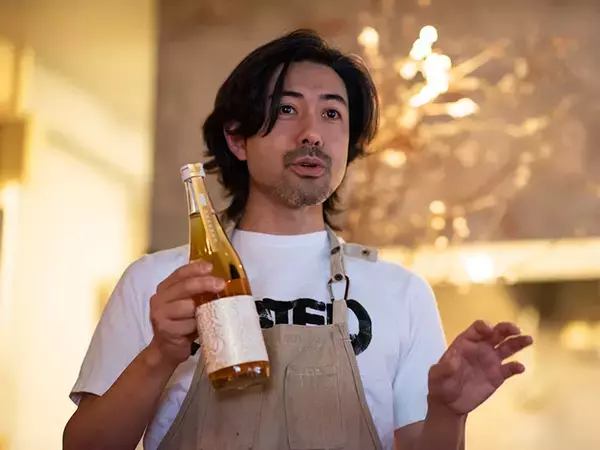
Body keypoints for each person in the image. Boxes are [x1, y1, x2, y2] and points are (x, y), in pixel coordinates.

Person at [63, 29, 533, 450]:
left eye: (332, 113)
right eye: (287, 109)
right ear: (237, 138)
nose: (313, 133)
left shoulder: (402, 294)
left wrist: (448, 413)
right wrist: (160, 355)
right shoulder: (161, 284)